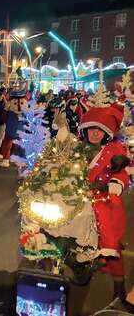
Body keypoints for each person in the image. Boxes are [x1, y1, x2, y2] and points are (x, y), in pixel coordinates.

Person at [79, 104, 131, 301]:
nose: (94, 133)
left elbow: (123, 175)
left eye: (99, 130)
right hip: (77, 197)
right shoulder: (78, 147)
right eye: (91, 129)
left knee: (109, 241)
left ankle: (119, 284)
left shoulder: (114, 150)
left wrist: (113, 185)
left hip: (103, 200)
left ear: (106, 133)